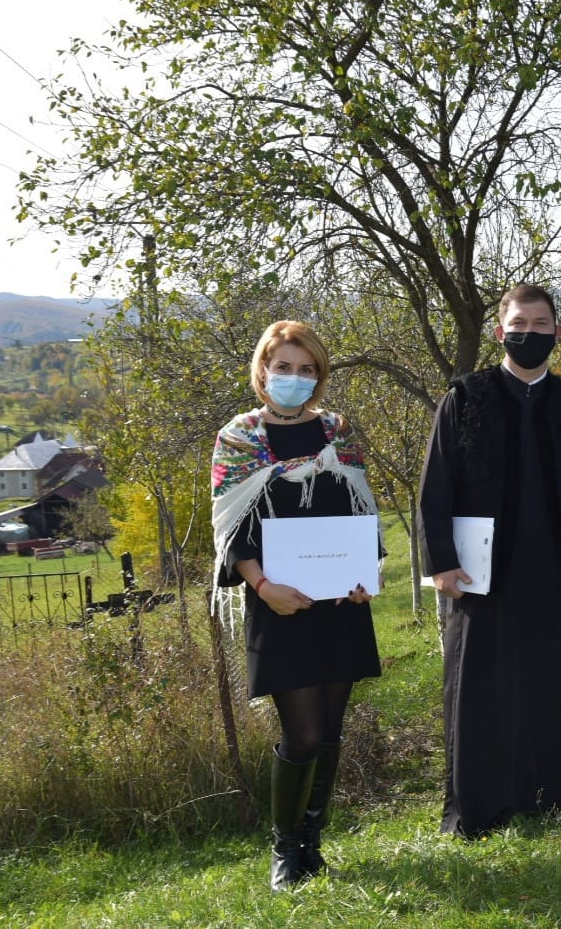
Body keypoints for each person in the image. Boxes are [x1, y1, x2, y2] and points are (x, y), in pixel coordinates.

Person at [418, 284, 561, 837]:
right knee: (480, 685)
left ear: (557, 332)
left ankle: (552, 795)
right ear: (499, 331)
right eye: (519, 325)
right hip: (481, 572)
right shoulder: (466, 397)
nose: (529, 333)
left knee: (549, 681)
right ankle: (480, 804)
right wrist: (441, 562)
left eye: (540, 324)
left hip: (556, 568)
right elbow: (435, 488)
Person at [210, 320, 382, 891]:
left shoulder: (338, 432)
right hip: (278, 605)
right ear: (263, 371)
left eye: (307, 369)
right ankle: (284, 849)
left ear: (320, 376)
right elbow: (231, 531)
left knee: (330, 731)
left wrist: (365, 575)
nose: (294, 377)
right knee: (303, 733)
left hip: (340, 604)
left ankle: (313, 843)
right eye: (283, 367)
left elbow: (361, 509)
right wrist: (263, 588)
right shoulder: (239, 437)